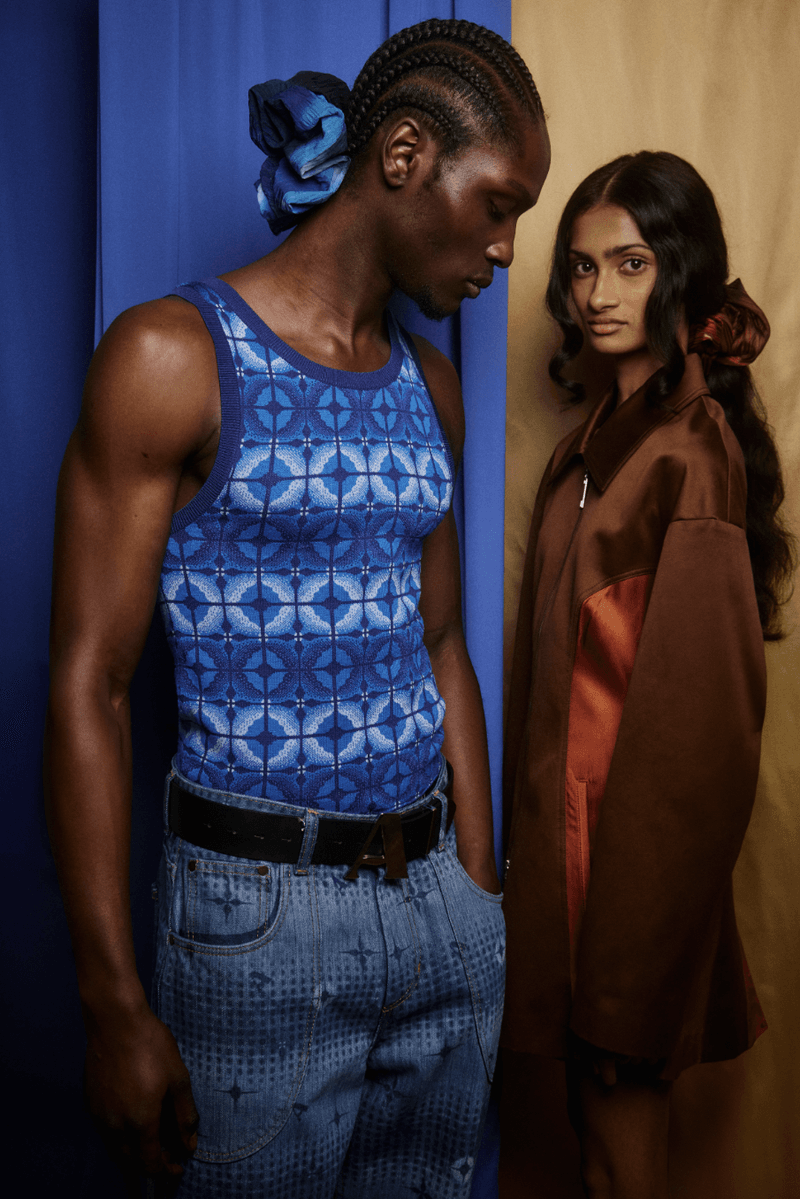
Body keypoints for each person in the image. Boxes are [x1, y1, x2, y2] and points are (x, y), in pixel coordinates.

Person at [44, 18, 550, 1198]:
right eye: (498, 205)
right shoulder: (172, 356)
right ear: (404, 154)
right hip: (257, 926)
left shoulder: (430, 384)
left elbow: (440, 641)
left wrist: (478, 890)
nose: (505, 248)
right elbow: (88, 684)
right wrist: (111, 1002)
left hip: (438, 909)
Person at [501, 150, 794, 1199]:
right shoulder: (585, 447)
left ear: (682, 270)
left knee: (623, 1158)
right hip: (561, 857)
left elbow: (699, 736)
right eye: (582, 267)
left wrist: (634, 944)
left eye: (629, 263)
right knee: (592, 1150)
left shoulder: (689, 452)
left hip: (625, 874)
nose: (597, 293)